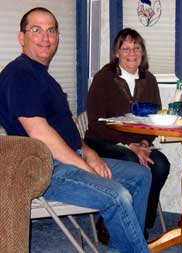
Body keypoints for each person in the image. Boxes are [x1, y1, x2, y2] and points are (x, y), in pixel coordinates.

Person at [0, 7, 152, 253]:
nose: (45, 38)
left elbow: (67, 131)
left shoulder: (44, 78)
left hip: (71, 159)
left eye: (51, 31)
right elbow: (41, 135)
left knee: (141, 175)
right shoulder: (20, 75)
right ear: (22, 37)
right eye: (36, 30)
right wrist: (86, 167)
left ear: (58, 38)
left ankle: (122, 246)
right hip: (46, 169)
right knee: (118, 196)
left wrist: (89, 153)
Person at [84, 28, 170, 240]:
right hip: (103, 142)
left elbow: (154, 118)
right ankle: (109, 221)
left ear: (143, 52)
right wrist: (129, 146)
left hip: (138, 144)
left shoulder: (149, 79)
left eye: (137, 48)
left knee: (160, 164)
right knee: (131, 160)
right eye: (126, 48)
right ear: (116, 53)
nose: (132, 53)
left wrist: (142, 142)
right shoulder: (103, 78)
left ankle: (140, 221)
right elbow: (96, 122)